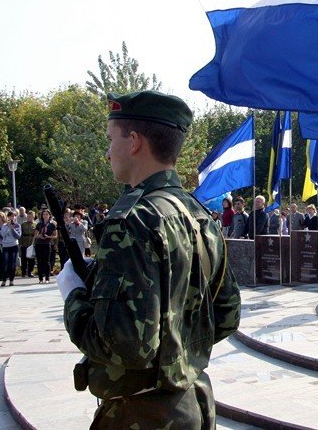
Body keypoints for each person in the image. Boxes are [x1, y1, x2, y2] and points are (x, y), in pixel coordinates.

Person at [58, 90, 240, 429]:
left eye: (112, 139)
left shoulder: (132, 221)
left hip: (142, 414)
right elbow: (226, 316)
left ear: (135, 141)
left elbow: (123, 345)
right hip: (193, 403)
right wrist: (177, 354)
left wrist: (73, 296)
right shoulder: (198, 213)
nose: (108, 151)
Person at [0, 210, 21, 286]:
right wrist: (8, 227)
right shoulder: (4, 225)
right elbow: (2, 235)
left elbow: (17, 236)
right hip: (5, 246)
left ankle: (11, 280)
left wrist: (12, 228)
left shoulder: (17, 225)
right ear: (8, 217)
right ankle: (4, 279)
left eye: (13, 216)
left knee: (12, 264)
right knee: (5, 263)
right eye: (10, 216)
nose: (12, 217)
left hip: (14, 245)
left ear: (15, 217)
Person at [34, 209, 56, 284]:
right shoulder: (39, 224)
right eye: (44, 214)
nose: (45, 216)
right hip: (39, 244)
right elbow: (35, 235)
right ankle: (40, 278)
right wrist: (39, 236)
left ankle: (47, 277)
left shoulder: (52, 224)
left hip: (47, 244)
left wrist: (48, 236)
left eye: (47, 214)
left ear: (49, 215)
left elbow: (55, 236)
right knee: (39, 261)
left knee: (47, 261)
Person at [19, 210, 36, 277]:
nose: (29, 218)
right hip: (25, 242)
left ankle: (30, 272)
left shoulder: (35, 224)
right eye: (28, 216)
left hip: (32, 242)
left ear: (33, 217)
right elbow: (21, 234)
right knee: (24, 258)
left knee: (31, 258)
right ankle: (23, 272)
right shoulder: (23, 224)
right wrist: (20, 243)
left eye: (31, 216)